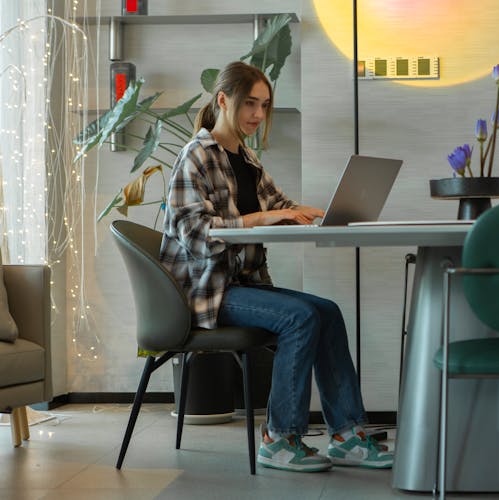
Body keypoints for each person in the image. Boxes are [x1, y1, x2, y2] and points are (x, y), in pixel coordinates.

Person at [159, 61, 393, 472]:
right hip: (207, 292)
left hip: (242, 285)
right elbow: (193, 233)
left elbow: (279, 205)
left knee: (327, 311)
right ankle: (279, 439)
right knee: (301, 318)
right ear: (222, 100)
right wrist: (257, 219)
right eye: (250, 104)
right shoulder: (195, 156)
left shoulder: (246, 159)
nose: (258, 115)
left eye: (264, 106)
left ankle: (346, 435)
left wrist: (312, 212)